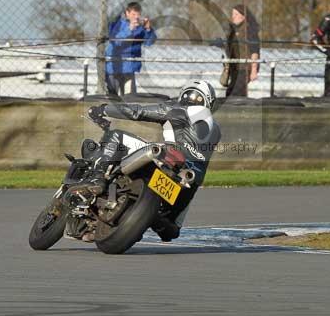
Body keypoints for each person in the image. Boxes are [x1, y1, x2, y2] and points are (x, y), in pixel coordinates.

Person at [67, 80, 221, 241]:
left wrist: (103, 109)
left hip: (168, 157)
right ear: (208, 101)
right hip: (191, 181)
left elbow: (137, 111)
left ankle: (98, 178)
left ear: (185, 94)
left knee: (117, 135)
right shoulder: (216, 128)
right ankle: (149, 217)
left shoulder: (178, 109)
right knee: (171, 229)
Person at [105, 2, 157, 96]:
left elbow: (149, 42)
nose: (136, 17)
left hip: (130, 67)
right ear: (127, 13)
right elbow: (115, 41)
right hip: (114, 66)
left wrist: (148, 29)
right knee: (113, 97)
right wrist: (130, 28)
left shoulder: (141, 28)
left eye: (138, 14)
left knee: (129, 98)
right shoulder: (118, 24)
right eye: (133, 14)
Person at [224, 5, 260, 97]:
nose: (233, 17)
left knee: (234, 92)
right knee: (235, 92)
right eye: (232, 14)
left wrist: (254, 70)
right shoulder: (234, 30)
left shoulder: (249, 30)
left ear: (243, 16)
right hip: (235, 67)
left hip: (245, 68)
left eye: (236, 14)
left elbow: (254, 51)